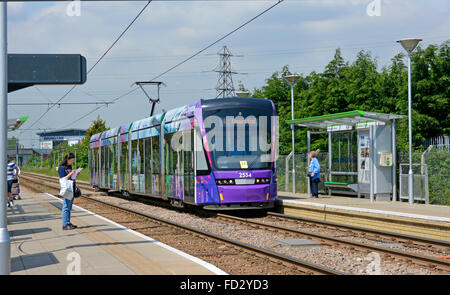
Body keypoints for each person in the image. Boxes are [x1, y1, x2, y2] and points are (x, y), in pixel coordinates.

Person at [59, 153, 78, 230]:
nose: (72, 162)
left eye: (73, 160)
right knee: (66, 206)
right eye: (71, 160)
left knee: (69, 207)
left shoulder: (69, 167)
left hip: (71, 187)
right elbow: (63, 178)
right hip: (67, 188)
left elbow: (71, 177)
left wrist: (75, 174)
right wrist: (71, 173)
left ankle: (68, 222)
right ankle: (65, 224)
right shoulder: (61, 167)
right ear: (67, 159)